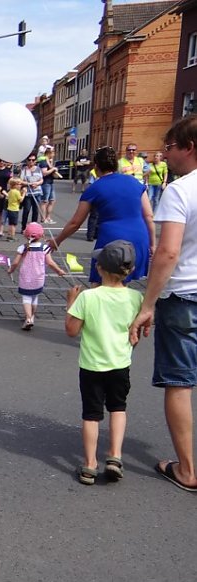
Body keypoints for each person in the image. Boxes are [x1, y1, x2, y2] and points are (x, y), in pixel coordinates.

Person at [130, 115, 197, 492]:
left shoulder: (180, 190)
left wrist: (148, 304)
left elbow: (168, 252)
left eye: (169, 147)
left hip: (184, 293)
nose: (164, 155)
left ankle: (187, 469)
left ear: (188, 147)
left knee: (181, 382)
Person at [66, 240, 143, 485]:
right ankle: (115, 456)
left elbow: (71, 330)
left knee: (91, 414)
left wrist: (70, 302)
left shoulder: (88, 297)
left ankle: (89, 465)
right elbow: (136, 331)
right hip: (120, 364)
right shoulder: (135, 297)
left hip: (92, 366)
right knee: (118, 408)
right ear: (129, 271)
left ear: (99, 268)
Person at [50, 146, 155, 285]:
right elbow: (148, 216)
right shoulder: (134, 182)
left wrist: (57, 241)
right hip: (139, 239)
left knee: (100, 285)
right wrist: (152, 244)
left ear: (97, 166)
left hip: (112, 240)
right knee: (122, 285)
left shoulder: (94, 188)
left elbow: (76, 222)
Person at [7, 222, 65, 330]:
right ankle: (32, 316)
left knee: (26, 298)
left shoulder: (23, 247)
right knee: (34, 297)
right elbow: (50, 263)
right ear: (42, 236)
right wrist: (59, 270)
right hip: (39, 277)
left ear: (26, 235)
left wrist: (11, 270)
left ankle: (28, 318)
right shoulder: (44, 248)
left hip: (26, 277)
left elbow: (15, 263)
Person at [19, 154, 43, 231]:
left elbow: (41, 180)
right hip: (28, 193)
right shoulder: (24, 170)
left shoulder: (38, 169)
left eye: (33, 160)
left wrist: (37, 183)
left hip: (37, 193)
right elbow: (20, 181)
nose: (31, 161)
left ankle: (34, 228)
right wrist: (29, 184)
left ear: (35, 161)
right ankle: (23, 227)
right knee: (26, 210)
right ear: (27, 161)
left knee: (36, 211)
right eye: (29, 160)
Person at [0, 176, 25, 242]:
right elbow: (20, 200)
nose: (20, 185)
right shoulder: (16, 192)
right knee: (13, 224)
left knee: (10, 223)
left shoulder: (10, 191)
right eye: (19, 184)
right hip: (14, 209)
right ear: (15, 185)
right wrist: (24, 193)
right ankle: (12, 236)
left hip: (9, 208)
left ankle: (9, 235)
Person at [38, 147, 58, 224]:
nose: (54, 154)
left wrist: (54, 170)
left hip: (51, 182)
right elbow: (44, 173)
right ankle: (43, 218)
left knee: (52, 200)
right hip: (45, 183)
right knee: (44, 201)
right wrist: (53, 169)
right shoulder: (43, 162)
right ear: (49, 153)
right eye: (53, 152)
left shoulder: (50, 161)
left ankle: (48, 217)